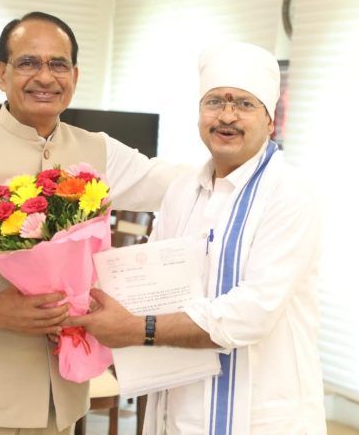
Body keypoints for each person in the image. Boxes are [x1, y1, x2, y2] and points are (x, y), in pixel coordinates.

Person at [0, 11, 185, 434]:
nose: (45, 77)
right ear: (1, 73)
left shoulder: (101, 152)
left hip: (58, 412)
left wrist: (243, 153)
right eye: (28, 63)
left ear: (74, 75)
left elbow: (181, 184)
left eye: (58, 64)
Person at [67, 41, 327, 434]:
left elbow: (251, 314)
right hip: (179, 405)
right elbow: (151, 286)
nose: (227, 116)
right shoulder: (183, 191)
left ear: (269, 120)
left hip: (260, 415)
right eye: (215, 101)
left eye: (244, 104)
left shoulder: (289, 194)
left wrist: (139, 328)